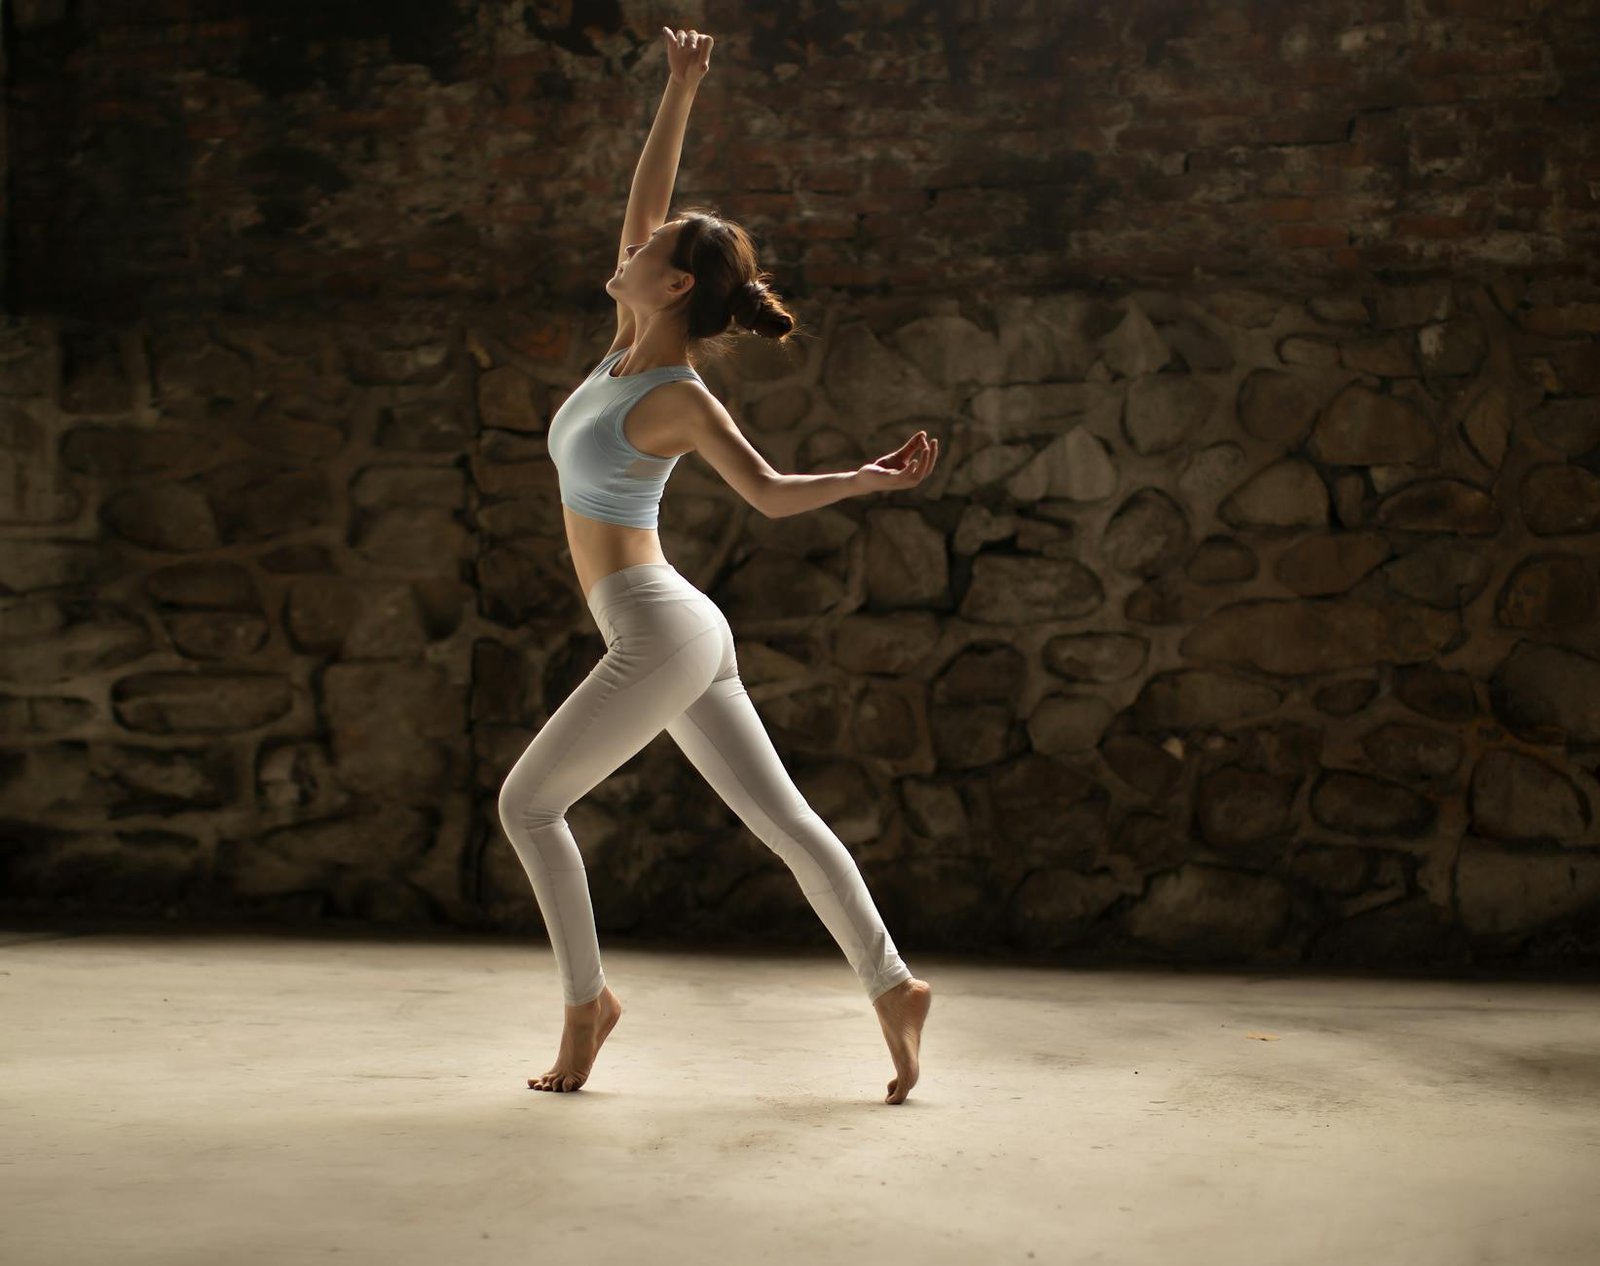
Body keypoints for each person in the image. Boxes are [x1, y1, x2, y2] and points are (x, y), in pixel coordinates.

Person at [497, 26, 937, 1106]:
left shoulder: (679, 394)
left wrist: (863, 477)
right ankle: (894, 987)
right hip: (664, 626)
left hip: (659, 626)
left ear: (675, 282)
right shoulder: (621, 346)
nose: (628, 247)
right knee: (787, 824)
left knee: (528, 807)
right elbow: (652, 206)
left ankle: (586, 1008)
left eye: (648, 252)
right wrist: (679, 87)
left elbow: (772, 495)